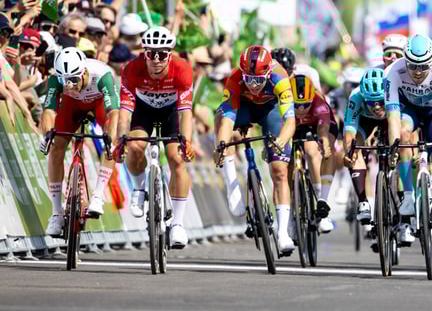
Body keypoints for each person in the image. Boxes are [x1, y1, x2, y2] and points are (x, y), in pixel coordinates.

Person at [115, 27, 195, 249]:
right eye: (151, 53)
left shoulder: (182, 69)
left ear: (170, 54)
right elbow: (124, 113)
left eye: (162, 53)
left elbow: (185, 112)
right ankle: (139, 189)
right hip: (144, 111)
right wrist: (120, 138)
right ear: (144, 53)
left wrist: (185, 141)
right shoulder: (132, 69)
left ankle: (178, 224)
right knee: (135, 145)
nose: (156, 59)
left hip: (171, 113)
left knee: (176, 158)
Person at [213, 45, 297, 255]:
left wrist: (280, 141)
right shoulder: (234, 78)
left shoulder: (280, 76)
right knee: (226, 129)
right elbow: (227, 120)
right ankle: (231, 180)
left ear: (268, 73)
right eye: (249, 79)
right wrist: (221, 147)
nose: (253, 85)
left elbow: (290, 121)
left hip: (270, 110)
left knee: (279, 170)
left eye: (259, 80)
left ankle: (283, 233)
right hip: (244, 107)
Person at [385, 34, 432, 259]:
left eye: (423, 66)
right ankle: (408, 194)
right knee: (404, 135)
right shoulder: (393, 72)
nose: (417, 72)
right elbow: (393, 117)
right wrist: (394, 147)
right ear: (405, 61)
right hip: (409, 111)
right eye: (413, 66)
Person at [38, 48, 119, 235]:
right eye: (64, 80)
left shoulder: (102, 75)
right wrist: (47, 134)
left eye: (73, 79)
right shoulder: (56, 79)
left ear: (84, 72)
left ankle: (98, 195)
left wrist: (110, 137)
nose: (69, 86)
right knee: (56, 147)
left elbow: (113, 113)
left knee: (110, 143)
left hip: (97, 105)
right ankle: (57, 213)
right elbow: (49, 111)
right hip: (71, 107)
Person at [342, 68, 396, 245]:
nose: (377, 107)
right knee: (354, 146)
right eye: (371, 103)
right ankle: (364, 201)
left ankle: (403, 195)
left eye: (380, 101)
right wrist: (349, 153)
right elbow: (349, 132)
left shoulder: (394, 90)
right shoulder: (356, 98)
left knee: (401, 143)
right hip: (365, 121)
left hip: (391, 119)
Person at [290, 74, 337, 234]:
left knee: (315, 150)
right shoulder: (282, 102)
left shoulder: (318, 102)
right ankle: (291, 212)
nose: (301, 109)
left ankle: (321, 200)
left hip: (316, 124)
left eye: (305, 104)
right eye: (297, 105)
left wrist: (323, 141)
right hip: (292, 125)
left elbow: (323, 129)